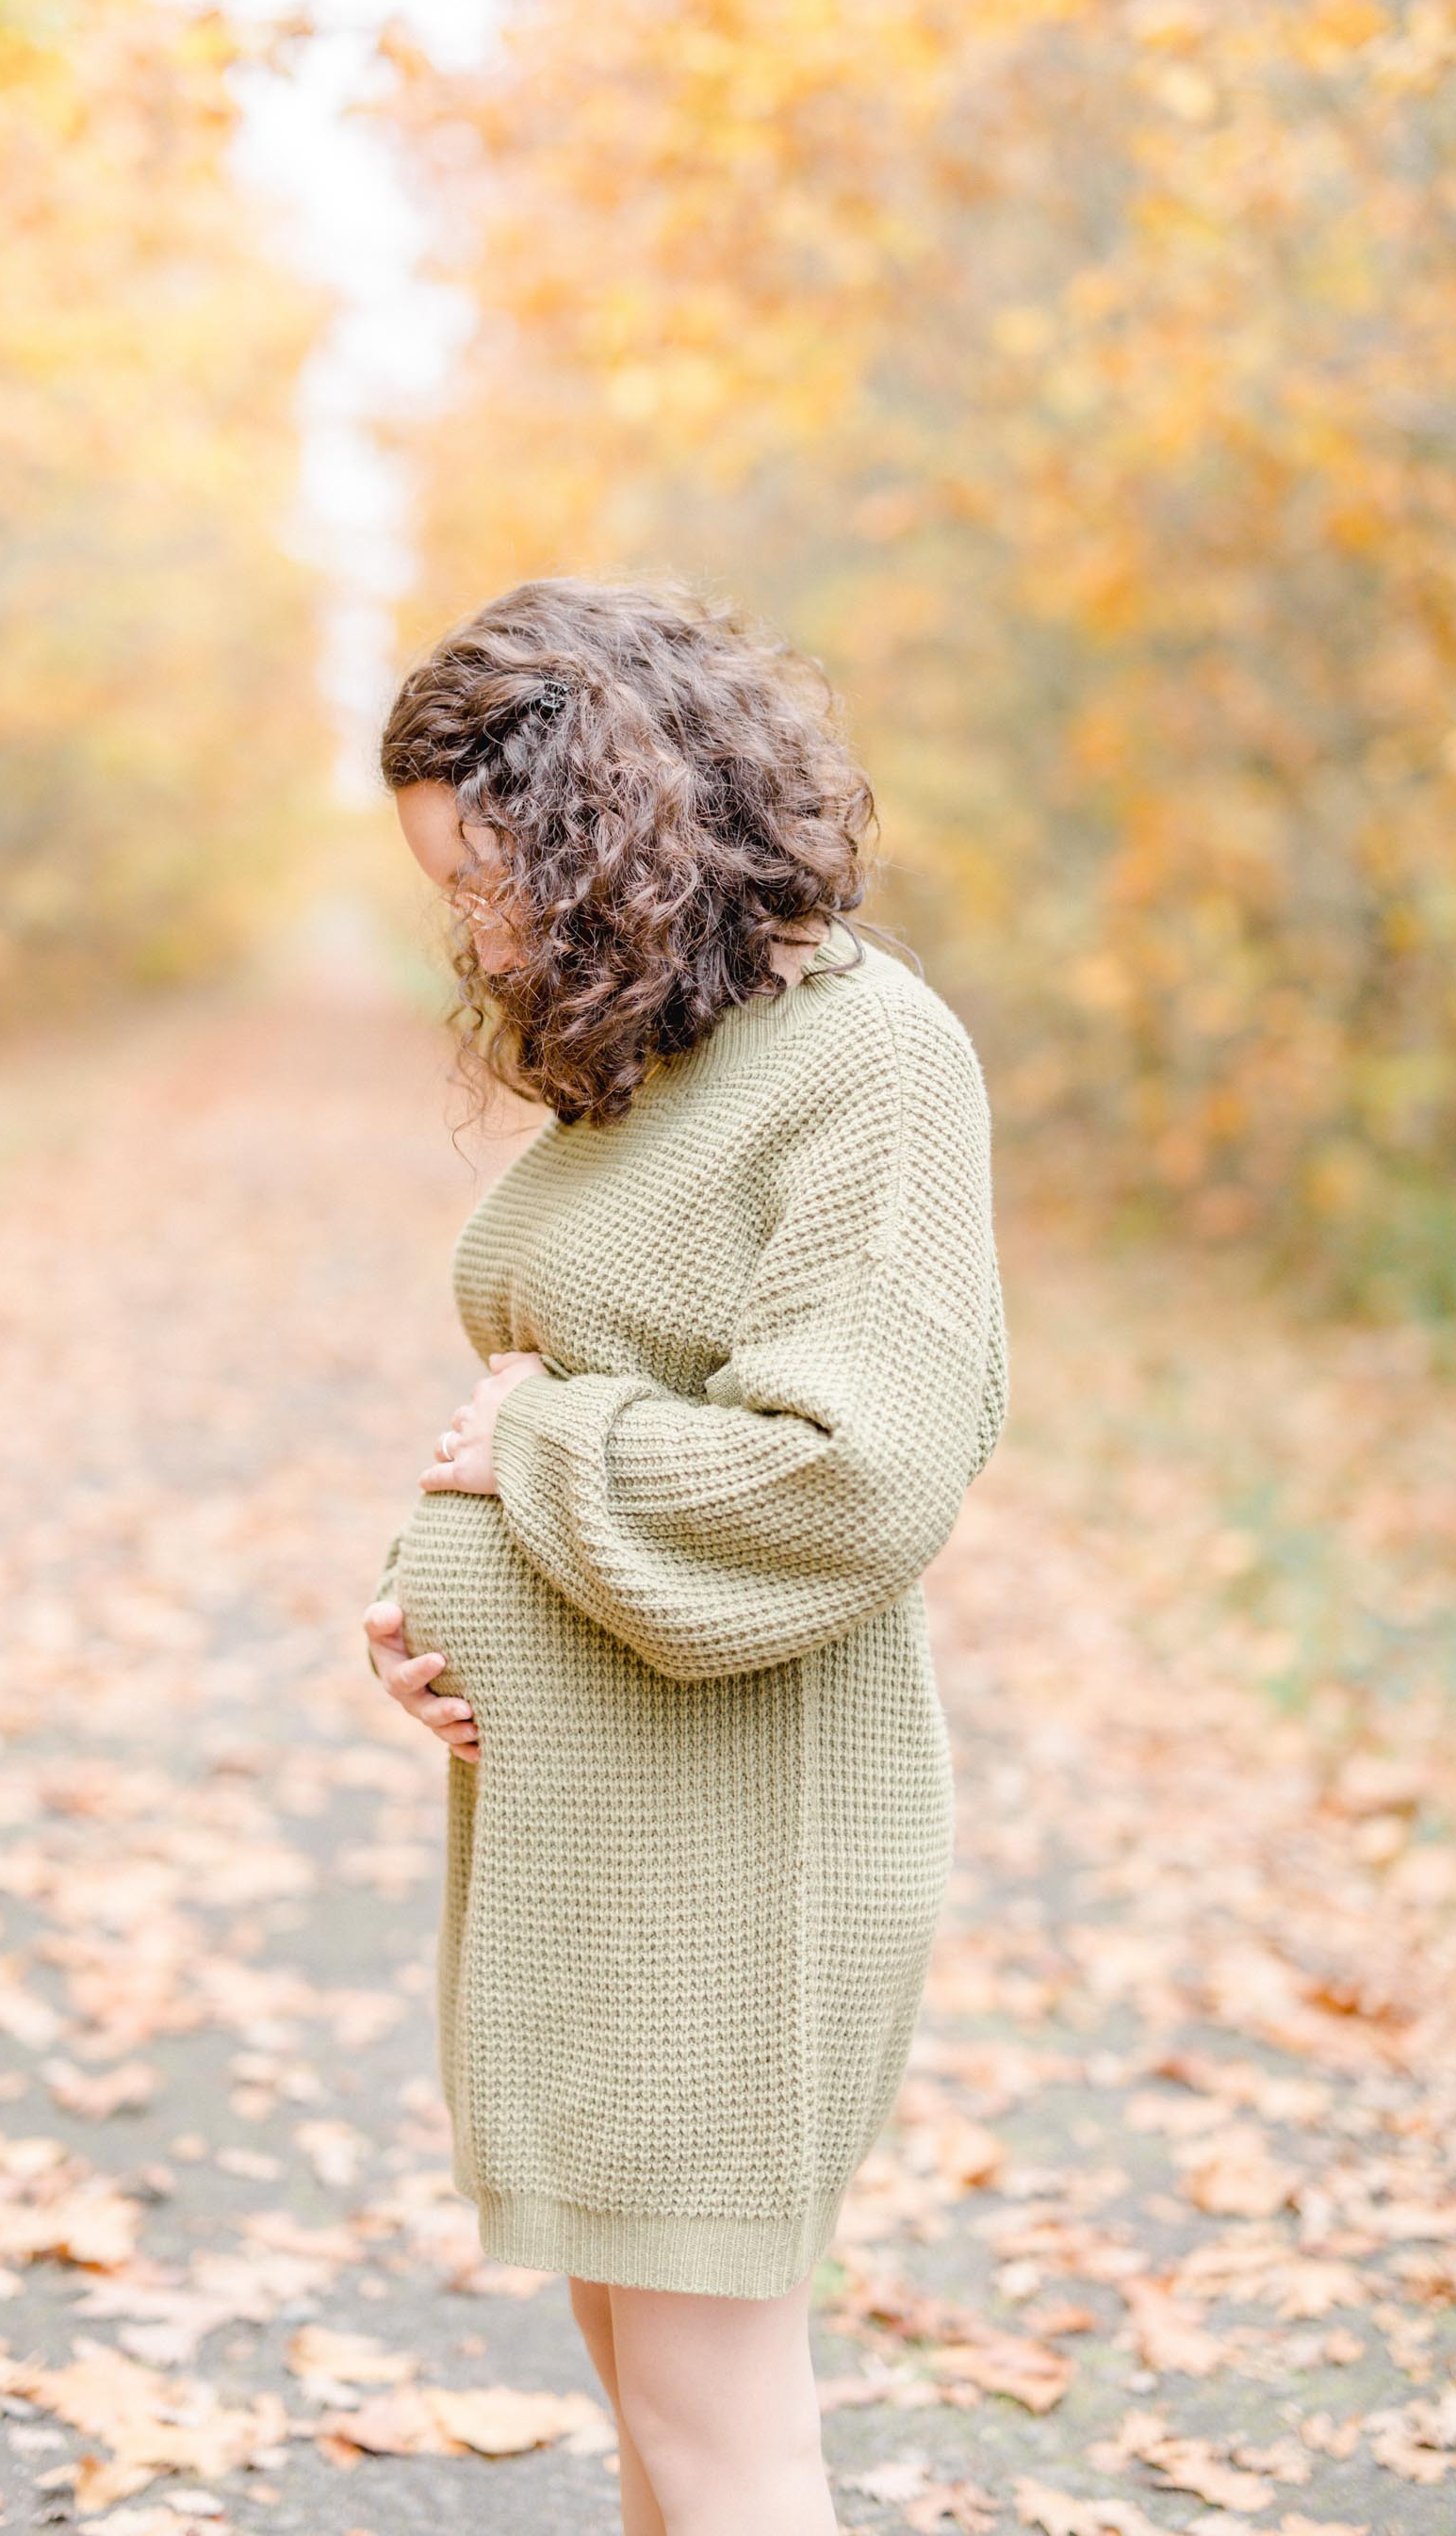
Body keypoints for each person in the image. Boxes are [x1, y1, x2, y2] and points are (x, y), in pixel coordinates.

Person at [360, 576, 1007, 2536]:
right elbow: (589, 1409)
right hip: (599, 1828)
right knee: (658, 2422)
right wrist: (434, 1619)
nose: (470, 927)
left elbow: (855, 1476)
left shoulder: (869, 1057)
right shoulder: (669, 1062)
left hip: (742, 1844)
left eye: (483, 876)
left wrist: (542, 1452)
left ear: (603, 833)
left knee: (727, 2445)